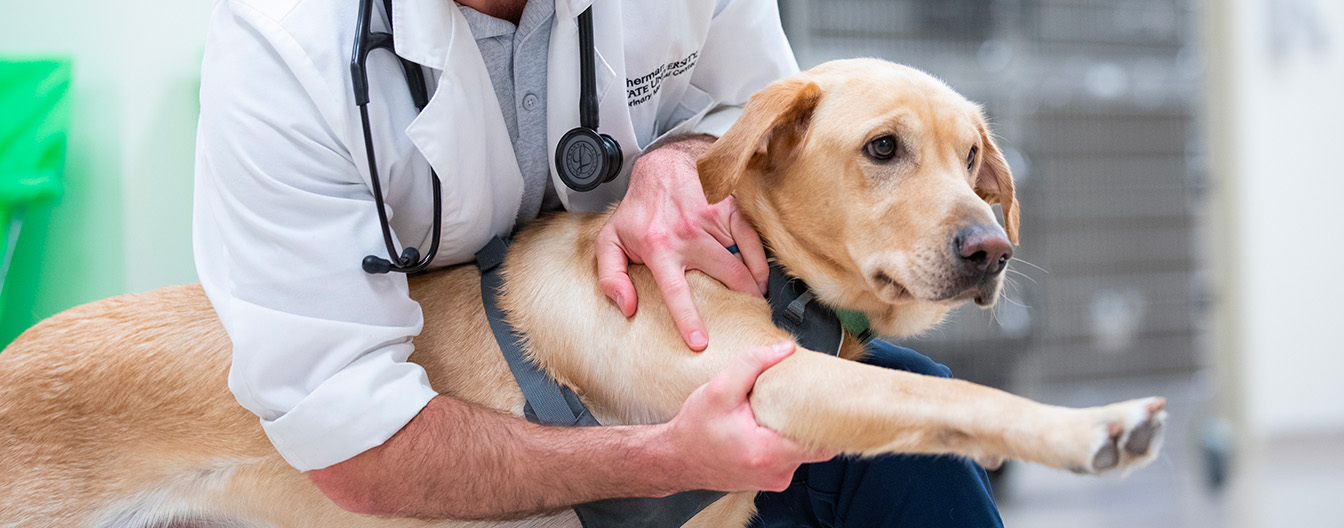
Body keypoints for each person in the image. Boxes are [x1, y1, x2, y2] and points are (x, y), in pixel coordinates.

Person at [193, 0, 1004, 524]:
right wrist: (660, 461)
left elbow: (763, 111)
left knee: (914, 458)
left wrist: (681, 155)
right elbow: (352, 430)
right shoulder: (282, 47)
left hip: (650, 353)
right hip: (435, 428)